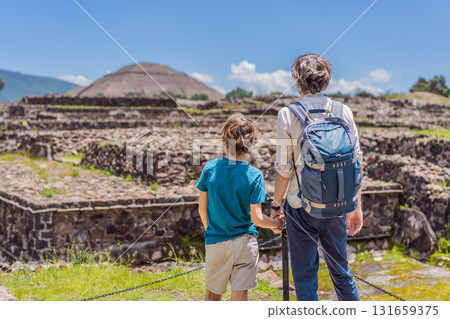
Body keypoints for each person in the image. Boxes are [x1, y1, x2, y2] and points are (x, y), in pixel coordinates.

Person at [271, 53, 363, 301]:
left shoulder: (288, 115)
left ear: (297, 81)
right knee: (342, 274)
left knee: (305, 279)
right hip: (337, 204)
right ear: (327, 80)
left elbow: (284, 170)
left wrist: (276, 206)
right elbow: (355, 164)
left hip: (300, 206)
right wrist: (355, 207)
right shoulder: (343, 111)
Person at [197, 113, 284, 301]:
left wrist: (212, 231)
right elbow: (257, 218)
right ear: (250, 143)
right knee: (240, 299)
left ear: (224, 137)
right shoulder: (254, 175)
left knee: (212, 296)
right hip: (244, 242)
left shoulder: (210, 168)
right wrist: (276, 224)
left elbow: (202, 210)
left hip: (216, 241)